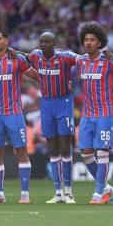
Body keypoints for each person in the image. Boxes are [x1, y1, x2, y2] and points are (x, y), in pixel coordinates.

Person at [76, 22, 113, 204]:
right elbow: (59, 57)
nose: (88, 43)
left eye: (92, 40)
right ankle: (105, 187)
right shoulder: (80, 60)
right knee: (86, 153)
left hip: (105, 113)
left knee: (102, 151)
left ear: (100, 42)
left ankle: (97, 194)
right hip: (87, 114)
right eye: (86, 40)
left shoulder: (109, 61)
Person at [0, 30, 39, 204]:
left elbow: (36, 75)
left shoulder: (17, 59)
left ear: (6, 41)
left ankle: (25, 195)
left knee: (21, 151)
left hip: (14, 113)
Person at [27, 32, 79, 204]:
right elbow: (21, 56)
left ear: (54, 43)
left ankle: (69, 192)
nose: (43, 44)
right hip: (47, 104)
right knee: (53, 149)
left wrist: (104, 54)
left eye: (47, 41)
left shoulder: (66, 57)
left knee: (65, 148)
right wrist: (8, 51)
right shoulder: (35, 56)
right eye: (41, 41)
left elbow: (85, 59)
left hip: (64, 102)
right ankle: (58, 193)